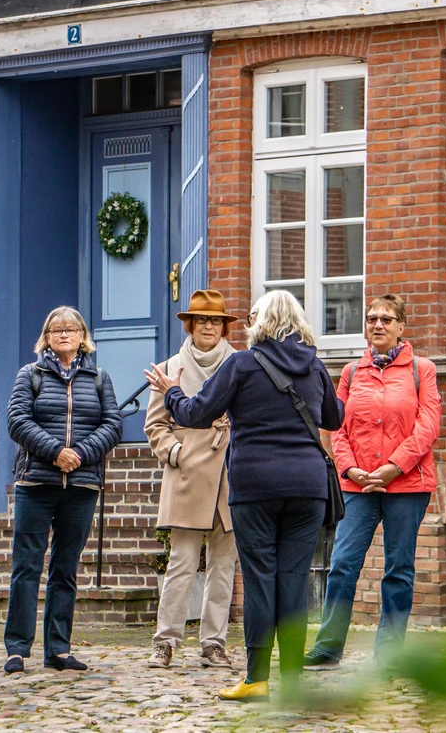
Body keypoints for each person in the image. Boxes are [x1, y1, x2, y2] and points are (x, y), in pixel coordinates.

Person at [146, 289, 342, 703]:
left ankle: (257, 678)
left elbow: (194, 413)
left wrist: (171, 391)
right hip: (307, 488)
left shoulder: (241, 364)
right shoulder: (313, 364)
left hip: (254, 487)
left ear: (261, 322)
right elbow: (333, 417)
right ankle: (291, 682)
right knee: (293, 581)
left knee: (259, 582)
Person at [304, 294, 442, 670]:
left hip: (407, 486)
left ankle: (391, 654)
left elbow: (428, 426)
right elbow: (335, 426)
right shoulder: (351, 372)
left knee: (398, 568)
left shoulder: (422, 370)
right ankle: (328, 647)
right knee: (343, 564)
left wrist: (394, 467)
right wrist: (350, 470)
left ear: (402, 327)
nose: (377, 325)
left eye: (386, 319)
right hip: (358, 486)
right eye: (371, 319)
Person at [3, 306, 122, 674]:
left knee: (65, 568)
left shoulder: (99, 377)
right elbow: (17, 420)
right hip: (37, 482)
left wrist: (80, 455)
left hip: (82, 485)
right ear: (47, 337)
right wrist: (55, 453)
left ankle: (58, 648)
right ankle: (17, 649)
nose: (64, 334)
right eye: (57, 329)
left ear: (83, 336)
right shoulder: (31, 375)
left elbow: (113, 424)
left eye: (71, 329)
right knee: (26, 566)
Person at [145, 290, 239, 670]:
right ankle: (165, 641)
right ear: (191, 325)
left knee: (224, 563)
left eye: (215, 321)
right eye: (202, 321)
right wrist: (177, 453)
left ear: (223, 327)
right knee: (181, 562)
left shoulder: (241, 365)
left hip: (232, 475)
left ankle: (214, 642)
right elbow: (155, 426)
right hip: (187, 475)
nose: (209, 328)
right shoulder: (171, 366)